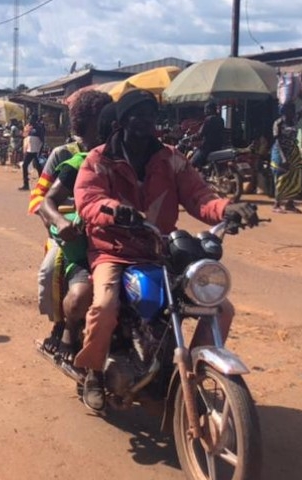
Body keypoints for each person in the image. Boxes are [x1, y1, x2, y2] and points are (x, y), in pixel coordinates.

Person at [74, 89, 257, 411]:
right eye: (137, 115)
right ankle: (93, 372)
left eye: (150, 115)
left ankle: (192, 373)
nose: (145, 121)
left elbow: (199, 197)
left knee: (221, 307)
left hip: (160, 249)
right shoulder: (99, 159)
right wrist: (114, 209)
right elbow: (88, 200)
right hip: (114, 249)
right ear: (121, 121)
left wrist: (227, 208)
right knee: (104, 306)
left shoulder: (172, 159)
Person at [35, 102, 117, 372]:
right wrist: (60, 222)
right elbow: (40, 197)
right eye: (99, 123)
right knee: (49, 272)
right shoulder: (64, 155)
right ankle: (62, 324)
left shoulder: (122, 155)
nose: (105, 129)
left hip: (111, 234)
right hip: (68, 231)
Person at [271, 101, 302, 213]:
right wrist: (283, 158)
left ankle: (290, 203)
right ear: (284, 111)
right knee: (280, 176)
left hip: (292, 151)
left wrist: (301, 95)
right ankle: (276, 204)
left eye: (293, 109)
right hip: (280, 151)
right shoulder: (278, 123)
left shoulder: (294, 119)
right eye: (290, 109)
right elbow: (277, 141)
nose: (293, 111)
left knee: (295, 175)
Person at [191, 101, 226, 169]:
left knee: (192, 163)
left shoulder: (209, 119)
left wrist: (192, 137)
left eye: (205, 109)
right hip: (218, 146)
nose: (205, 111)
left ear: (210, 109)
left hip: (208, 148)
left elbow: (200, 134)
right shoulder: (221, 119)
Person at [19, 117, 44, 190]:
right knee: (26, 165)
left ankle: (42, 185)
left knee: (37, 167)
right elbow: (25, 137)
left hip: (36, 150)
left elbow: (42, 140)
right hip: (30, 150)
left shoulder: (39, 128)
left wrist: (40, 150)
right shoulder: (28, 127)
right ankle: (26, 184)